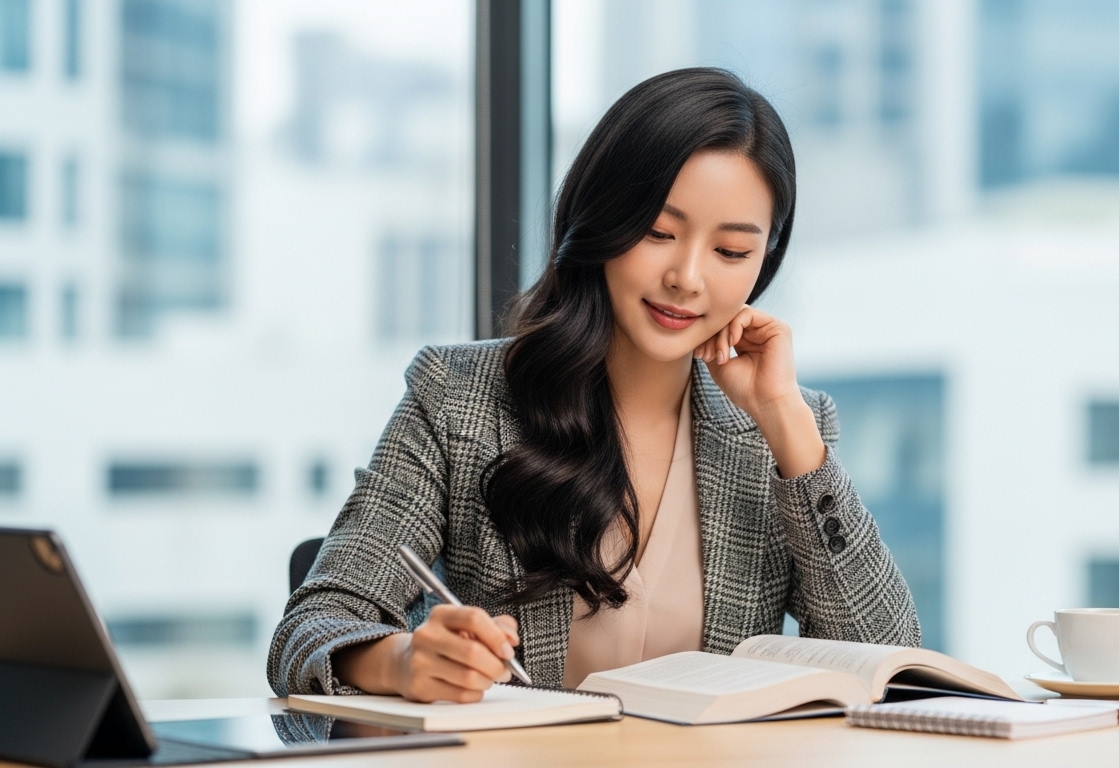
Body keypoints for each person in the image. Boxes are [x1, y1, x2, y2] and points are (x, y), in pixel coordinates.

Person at [268, 67, 920, 701]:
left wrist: (783, 418)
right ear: (602, 219)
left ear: (763, 261)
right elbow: (313, 624)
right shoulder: (458, 398)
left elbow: (891, 661)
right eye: (659, 232)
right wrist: (406, 661)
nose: (687, 278)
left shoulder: (783, 431)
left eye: (730, 252)